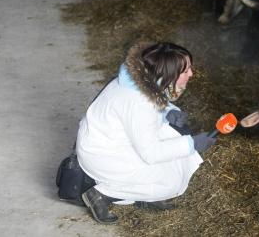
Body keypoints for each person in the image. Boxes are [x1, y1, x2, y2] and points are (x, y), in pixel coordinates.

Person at [76, 42, 217, 224]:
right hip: (104, 156)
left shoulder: (136, 80)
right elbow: (151, 152)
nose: (191, 74)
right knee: (170, 183)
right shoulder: (139, 103)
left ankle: (145, 193)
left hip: (106, 140)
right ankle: (101, 194)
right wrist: (192, 144)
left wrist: (168, 111)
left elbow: (148, 105)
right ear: (167, 73)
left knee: (174, 145)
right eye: (185, 71)